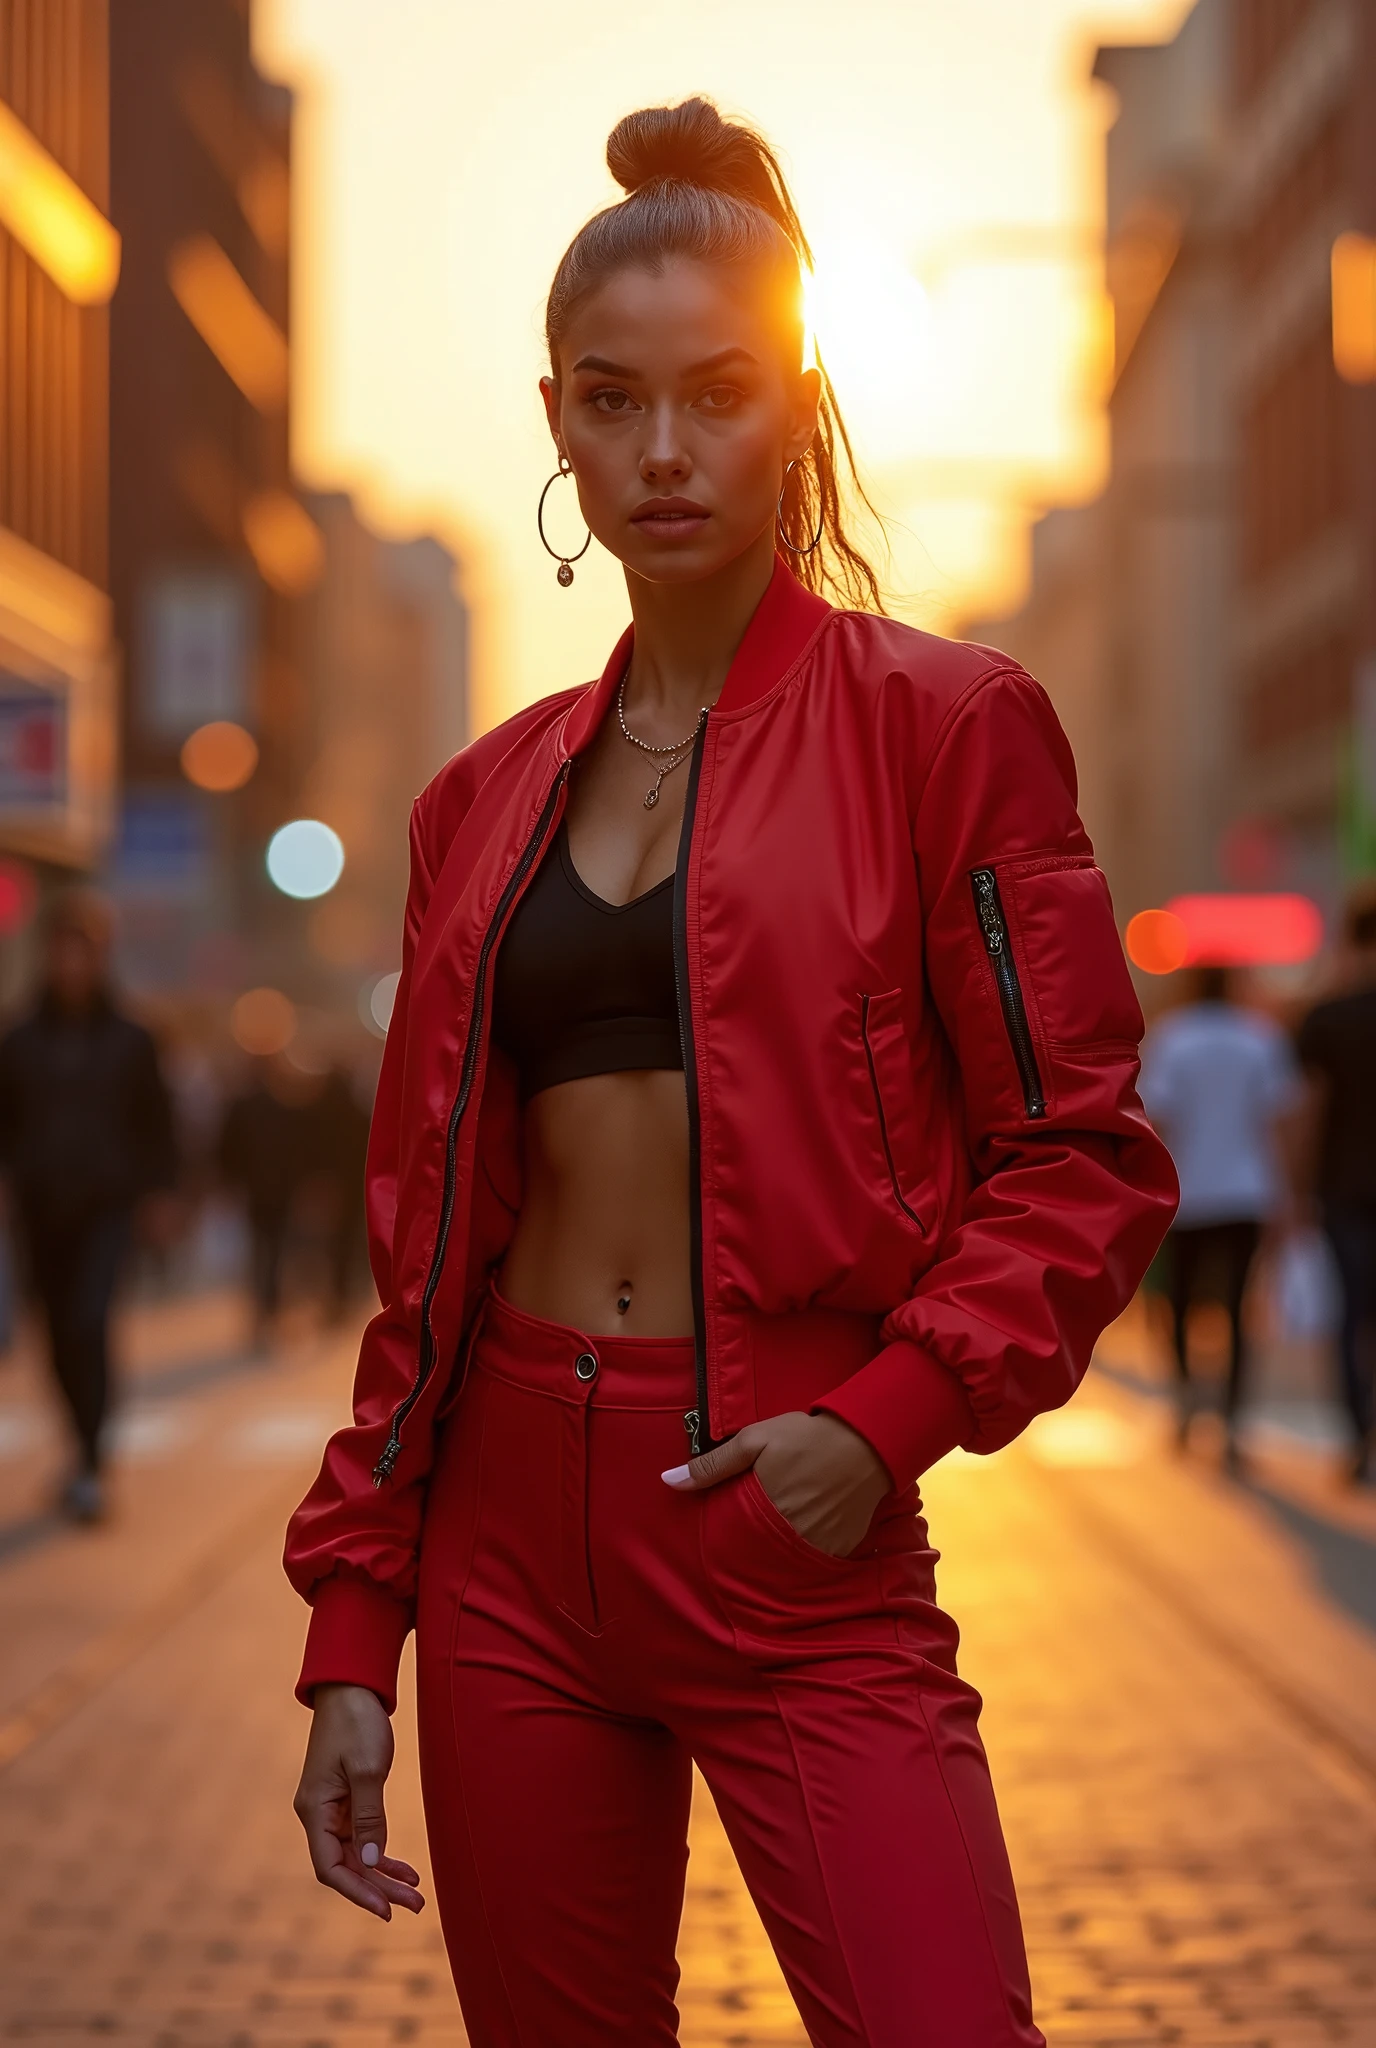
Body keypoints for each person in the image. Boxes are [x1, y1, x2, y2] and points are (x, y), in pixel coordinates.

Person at [286, 100, 1176, 2048]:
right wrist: (360, 1612)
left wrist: (884, 1417)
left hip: (799, 1524)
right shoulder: (478, 801)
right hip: (506, 1547)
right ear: (553, 415)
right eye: (614, 400)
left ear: (796, 403)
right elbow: (423, 1248)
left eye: (716, 393)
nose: (664, 451)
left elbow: (1080, 1152)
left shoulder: (947, 728)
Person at [0, 891, 177, 1520]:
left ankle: (93, 1463)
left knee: (88, 1322)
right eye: (62, 953)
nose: (72, 965)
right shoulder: (18, 1039)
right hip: (42, 1209)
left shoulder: (133, 1039)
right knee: (53, 1337)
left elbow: (160, 1124)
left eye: (84, 953)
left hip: (107, 1205)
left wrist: (161, 1194)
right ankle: (79, 1448)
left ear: (100, 959)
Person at [1138, 965, 1302, 1470]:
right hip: (1245, 1192)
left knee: (1178, 1302)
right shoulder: (1260, 1038)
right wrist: (1286, 1194)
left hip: (1186, 1193)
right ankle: (1231, 1419)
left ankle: (1187, 1397)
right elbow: (1277, 1123)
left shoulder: (1174, 1039)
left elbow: (1157, 1119)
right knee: (1236, 1307)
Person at [1297, 891, 1376, 1484]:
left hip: (1344, 1186)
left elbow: (1310, 1112)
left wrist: (1295, 1190)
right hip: (1346, 1187)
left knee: (1351, 1314)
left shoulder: (1328, 1017)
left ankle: (1358, 1438)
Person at [218, 1053, 319, 1340]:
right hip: (281, 1189)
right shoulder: (288, 1106)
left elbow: (227, 1149)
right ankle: (270, 1307)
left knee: (259, 1249)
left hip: (255, 1190)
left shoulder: (241, 1106)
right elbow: (300, 1152)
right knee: (275, 1250)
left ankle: (262, 1308)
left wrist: (229, 1180)